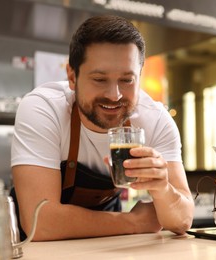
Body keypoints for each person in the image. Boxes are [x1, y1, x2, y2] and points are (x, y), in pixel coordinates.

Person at [10, 14, 194, 241]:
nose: (114, 95)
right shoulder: (43, 109)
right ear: (72, 76)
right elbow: (39, 223)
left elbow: (183, 220)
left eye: (127, 80)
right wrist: (134, 223)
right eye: (99, 79)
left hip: (108, 248)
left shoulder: (155, 120)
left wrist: (163, 189)